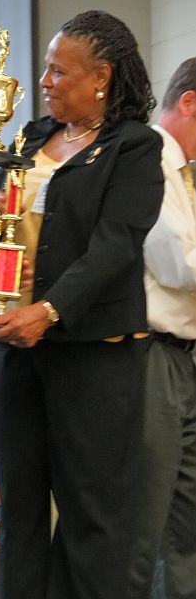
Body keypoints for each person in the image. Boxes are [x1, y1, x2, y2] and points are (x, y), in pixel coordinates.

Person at [0, 10, 164, 599]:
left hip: (95, 358)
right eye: (45, 70)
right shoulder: (30, 137)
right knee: (19, 511)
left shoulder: (134, 147)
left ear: (100, 76)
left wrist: (48, 311)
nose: (44, 81)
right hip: (18, 352)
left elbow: (114, 249)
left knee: (92, 520)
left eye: (58, 71)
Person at [129, 58, 196, 599]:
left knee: (185, 519)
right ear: (191, 102)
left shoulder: (186, 172)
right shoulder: (148, 159)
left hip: (180, 356)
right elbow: (179, 265)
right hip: (147, 357)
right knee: (151, 517)